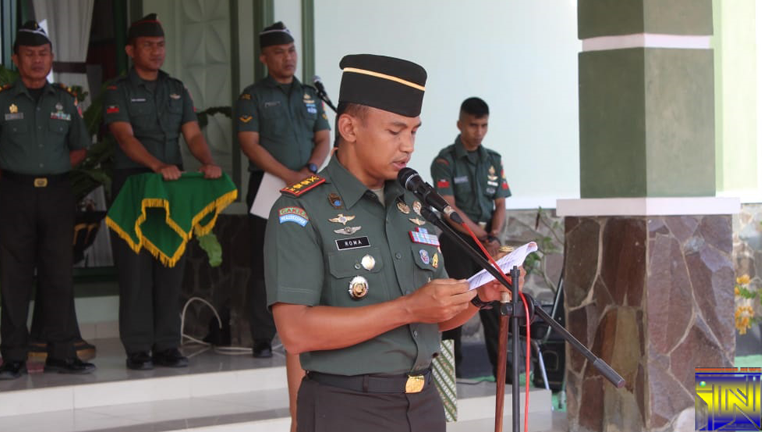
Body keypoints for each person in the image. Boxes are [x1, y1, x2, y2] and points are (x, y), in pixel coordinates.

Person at [264, 54, 518, 432]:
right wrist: (408, 309)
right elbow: (295, 331)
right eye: (395, 131)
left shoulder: (412, 205)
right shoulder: (301, 210)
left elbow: (437, 317)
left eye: (413, 132)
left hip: (423, 404)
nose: (408, 146)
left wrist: (480, 295)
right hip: (347, 408)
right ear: (349, 128)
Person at [104, 14, 222, 370]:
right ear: (131, 51)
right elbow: (124, 137)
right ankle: (138, 348)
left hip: (171, 188)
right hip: (134, 185)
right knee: (135, 271)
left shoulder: (176, 88)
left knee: (170, 266)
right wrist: (157, 165)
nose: (156, 52)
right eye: (148, 46)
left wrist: (207, 162)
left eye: (160, 45)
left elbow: (193, 133)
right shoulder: (118, 90)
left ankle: (167, 345)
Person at [235, 21, 330, 431]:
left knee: (308, 256)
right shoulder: (253, 96)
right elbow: (249, 144)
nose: (288, 57)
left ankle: (302, 328)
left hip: (308, 182)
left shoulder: (310, 95)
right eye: (279, 52)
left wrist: (310, 170)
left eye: (291, 50)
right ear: (264, 57)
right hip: (268, 186)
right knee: (266, 261)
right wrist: (289, 176)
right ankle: (263, 336)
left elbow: (324, 137)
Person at [0, 21, 95, 379]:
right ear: (16, 59)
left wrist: (53, 168)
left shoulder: (65, 100)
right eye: (29, 54)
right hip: (14, 193)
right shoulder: (3, 100)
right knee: (14, 276)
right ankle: (13, 356)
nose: (37, 60)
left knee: (58, 274)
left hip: (56, 193)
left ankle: (61, 353)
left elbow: (80, 147)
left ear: (52, 57)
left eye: (43, 54)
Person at [430, 97, 512, 380]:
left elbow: (500, 204)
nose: (479, 131)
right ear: (460, 124)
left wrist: (494, 234)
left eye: (484, 125)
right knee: (454, 308)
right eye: (473, 125)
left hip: (489, 241)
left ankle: (505, 379)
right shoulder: (445, 161)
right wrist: (483, 235)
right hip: (458, 242)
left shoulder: (493, 160)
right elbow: (449, 209)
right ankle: (450, 380)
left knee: (497, 309)